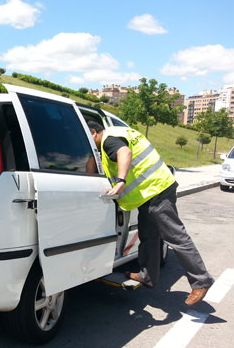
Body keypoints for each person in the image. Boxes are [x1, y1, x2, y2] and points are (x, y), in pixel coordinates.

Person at [87, 121, 214, 306]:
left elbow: (125, 152)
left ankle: (201, 280)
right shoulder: (120, 131)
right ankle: (147, 276)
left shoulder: (109, 140)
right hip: (152, 192)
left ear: (93, 132)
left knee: (176, 237)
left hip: (155, 192)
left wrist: (121, 181)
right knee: (149, 237)